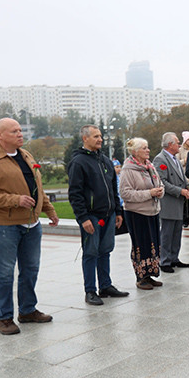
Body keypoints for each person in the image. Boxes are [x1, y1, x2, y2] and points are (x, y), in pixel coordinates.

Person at [0, 118, 59, 335]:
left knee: (30, 269)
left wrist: (49, 209)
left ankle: (27, 310)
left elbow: (36, 186)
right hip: (5, 225)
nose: (20, 134)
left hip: (32, 223)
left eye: (20, 130)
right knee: (4, 273)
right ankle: (3, 318)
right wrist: (14, 200)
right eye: (14, 131)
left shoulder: (25, 155)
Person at [68, 125, 129, 306]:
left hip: (108, 215)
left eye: (101, 136)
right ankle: (90, 290)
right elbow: (75, 193)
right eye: (96, 136)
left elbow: (113, 188)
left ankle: (105, 285)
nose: (100, 139)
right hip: (92, 217)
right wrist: (83, 218)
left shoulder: (104, 160)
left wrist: (118, 211)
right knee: (90, 252)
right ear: (85, 138)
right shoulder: (78, 162)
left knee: (105, 251)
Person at [119, 138, 165, 290]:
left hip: (152, 210)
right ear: (135, 152)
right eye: (144, 148)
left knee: (153, 243)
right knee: (141, 245)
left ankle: (150, 274)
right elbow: (125, 193)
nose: (148, 150)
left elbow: (159, 183)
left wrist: (160, 191)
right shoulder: (128, 169)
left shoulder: (149, 166)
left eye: (148, 147)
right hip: (136, 213)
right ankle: (140, 277)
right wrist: (149, 193)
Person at [153, 132, 189, 273]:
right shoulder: (160, 159)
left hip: (178, 202)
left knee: (176, 233)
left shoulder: (174, 159)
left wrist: (187, 186)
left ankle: (174, 258)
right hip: (169, 202)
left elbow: (180, 177)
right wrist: (179, 191)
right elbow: (162, 182)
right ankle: (164, 261)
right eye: (177, 142)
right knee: (167, 233)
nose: (179, 145)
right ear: (170, 145)